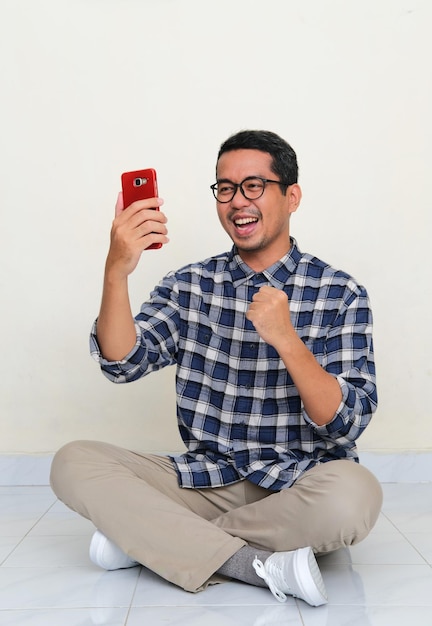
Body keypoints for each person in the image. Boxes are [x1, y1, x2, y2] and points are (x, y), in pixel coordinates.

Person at [50, 130, 383, 607]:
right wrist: (116, 270)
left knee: (356, 496)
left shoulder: (340, 292)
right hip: (204, 480)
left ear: (292, 196)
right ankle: (248, 562)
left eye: (253, 186)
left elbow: (346, 421)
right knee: (74, 461)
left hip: (300, 483)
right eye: (225, 188)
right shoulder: (189, 285)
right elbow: (122, 363)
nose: (236, 201)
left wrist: (288, 340)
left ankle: (151, 541)